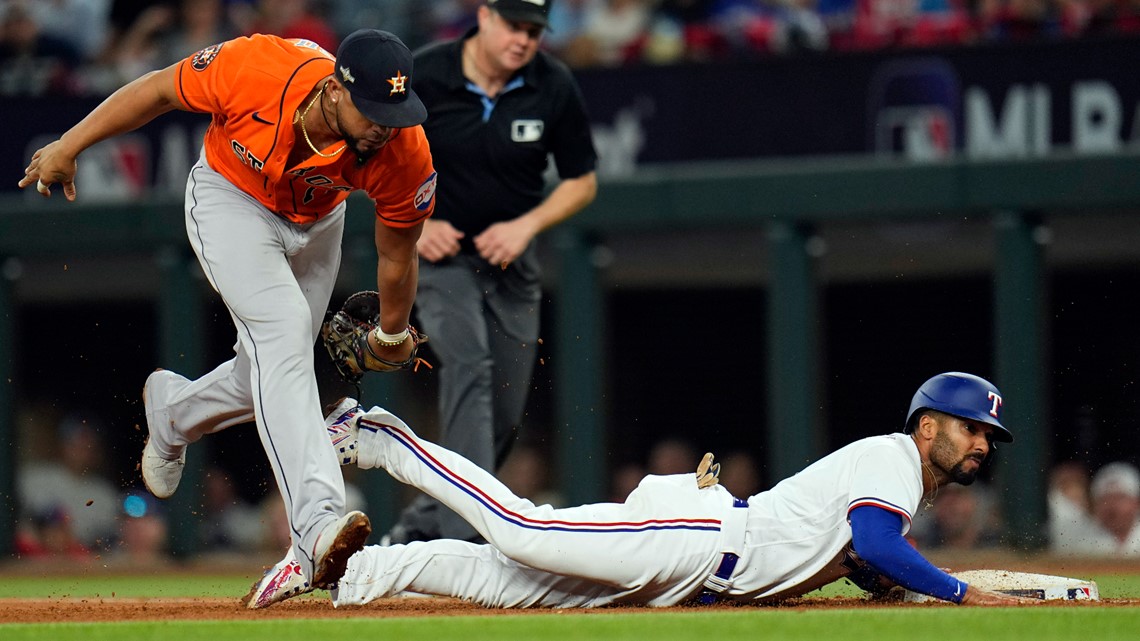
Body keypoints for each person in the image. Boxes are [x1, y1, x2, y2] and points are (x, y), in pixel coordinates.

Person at [19, 28, 437, 596]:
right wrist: (71, 143)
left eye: (394, 111)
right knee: (284, 336)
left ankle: (176, 413)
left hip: (318, 221)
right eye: (371, 111)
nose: (383, 125)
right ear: (336, 89)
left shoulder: (401, 147)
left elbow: (396, 252)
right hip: (229, 199)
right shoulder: (257, 67)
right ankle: (316, 525)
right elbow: (158, 90)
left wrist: (391, 333)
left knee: (271, 366)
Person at [249, 371, 1034, 608]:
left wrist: (889, 588)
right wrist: (960, 591)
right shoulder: (898, 457)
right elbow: (874, 543)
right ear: (929, 423)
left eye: (986, 438)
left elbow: (856, 556)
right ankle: (387, 436)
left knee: (510, 584)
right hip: (697, 541)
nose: (979, 444)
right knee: (521, 529)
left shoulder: (903, 476)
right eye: (970, 428)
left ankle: (356, 571)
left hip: (698, 563)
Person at [383, 0, 598, 545]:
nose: (523, 40)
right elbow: (368, 151)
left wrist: (528, 225)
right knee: (470, 367)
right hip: (440, 257)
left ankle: (417, 528)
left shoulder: (552, 83)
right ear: (483, 15)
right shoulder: (425, 73)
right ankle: (466, 539)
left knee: (503, 410)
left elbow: (582, 179)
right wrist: (418, 220)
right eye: (513, 25)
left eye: (533, 30)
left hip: (511, 260)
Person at [1053, 461, 1140, 556]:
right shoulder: (1078, 541)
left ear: (1137, 502)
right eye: (1105, 499)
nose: (1112, 507)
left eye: (1120, 498)